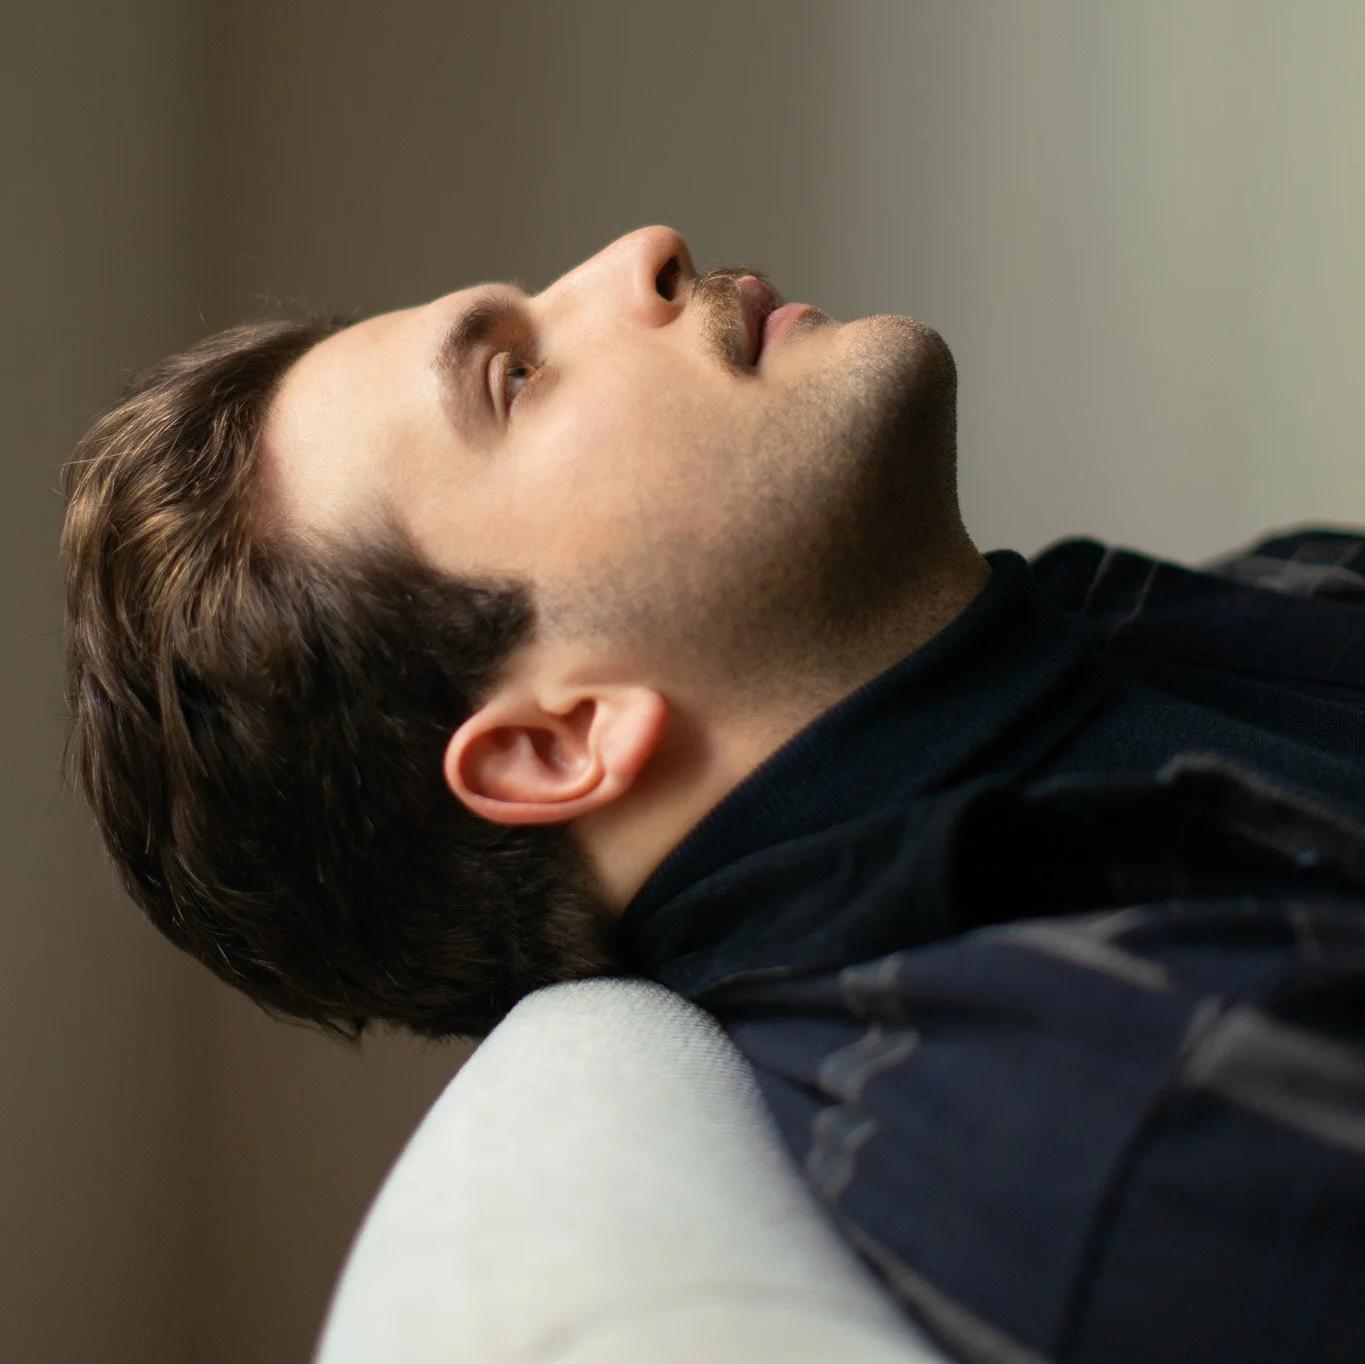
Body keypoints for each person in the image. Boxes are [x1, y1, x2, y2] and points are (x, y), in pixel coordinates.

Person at [64, 226, 1365, 1363]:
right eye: (513, 376)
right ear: (555, 744)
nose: (647, 248)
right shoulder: (1122, 1121)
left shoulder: (1200, 610)